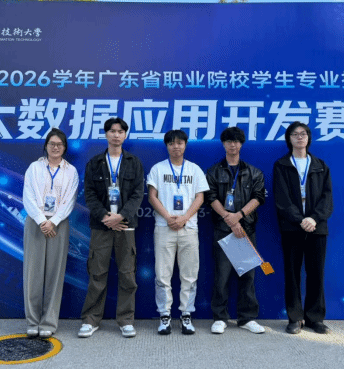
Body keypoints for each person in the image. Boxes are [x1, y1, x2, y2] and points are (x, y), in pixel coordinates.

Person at [78, 117, 144, 338]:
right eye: (112, 131)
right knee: (97, 273)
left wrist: (121, 216)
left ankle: (126, 320)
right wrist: (105, 216)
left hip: (125, 225)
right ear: (106, 134)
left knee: (127, 274)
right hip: (101, 225)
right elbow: (89, 194)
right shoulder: (95, 163)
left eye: (120, 131)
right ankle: (91, 320)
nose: (116, 135)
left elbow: (138, 194)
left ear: (125, 135)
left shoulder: (134, 162)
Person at [273, 122, 333, 335]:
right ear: (289, 139)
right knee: (292, 273)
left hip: (317, 228)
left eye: (303, 133)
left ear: (308, 138)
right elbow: (282, 199)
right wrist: (301, 220)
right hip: (292, 228)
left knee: (316, 273)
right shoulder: (281, 165)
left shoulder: (320, 165)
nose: (300, 137)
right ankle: (295, 318)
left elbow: (327, 198)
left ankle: (315, 318)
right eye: (295, 134)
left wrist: (314, 219)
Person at [147, 130, 209, 335]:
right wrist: (168, 217)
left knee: (189, 274)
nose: (176, 147)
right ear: (166, 146)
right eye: (172, 143)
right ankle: (164, 315)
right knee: (162, 274)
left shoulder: (194, 169)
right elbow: (152, 196)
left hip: (188, 228)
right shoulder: (158, 168)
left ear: (185, 145)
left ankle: (186, 314)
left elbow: (200, 198)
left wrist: (184, 218)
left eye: (180, 143)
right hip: (164, 227)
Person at [205, 127, 266, 335]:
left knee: (247, 275)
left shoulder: (254, 172)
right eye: (229, 141)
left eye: (237, 141)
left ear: (242, 144)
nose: (233, 145)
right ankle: (220, 318)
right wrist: (229, 219)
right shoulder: (213, 171)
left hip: (245, 229)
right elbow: (211, 198)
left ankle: (246, 318)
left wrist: (238, 216)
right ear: (223, 144)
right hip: (223, 229)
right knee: (221, 276)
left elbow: (258, 197)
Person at [22, 127, 79, 338]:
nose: (55, 148)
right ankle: (32, 321)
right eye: (52, 144)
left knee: (55, 273)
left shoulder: (71, 171)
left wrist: (53, 221)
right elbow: (28, 196)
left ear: (64, 147)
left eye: (59, 144)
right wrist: (41, 220)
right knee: (33, 273)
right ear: (46, 146)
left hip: (59, 223)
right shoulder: (34, 168)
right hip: (35, 222)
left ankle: (48, 322)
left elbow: (70, 200)